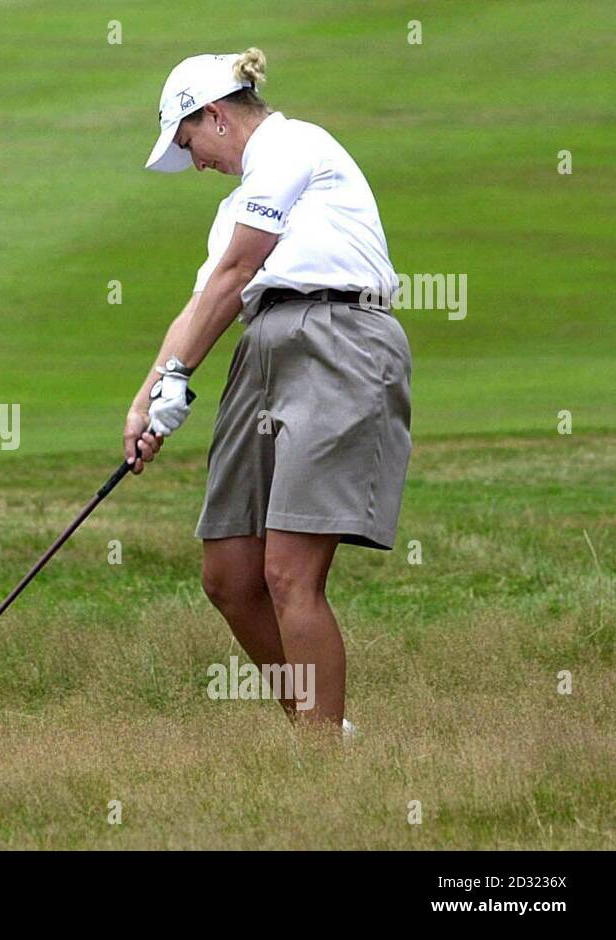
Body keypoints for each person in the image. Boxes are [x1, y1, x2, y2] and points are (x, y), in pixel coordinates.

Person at [124, 48, 412, 735]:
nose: (194, 162)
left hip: (339, 336)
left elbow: (237, 272)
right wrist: (144, 404)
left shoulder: (295, 146)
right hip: (264, 345)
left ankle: (321, 760)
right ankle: (322, 731)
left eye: (189, 142)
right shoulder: (233, 206)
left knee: (287, 572)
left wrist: (176, 379)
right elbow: (204, 304)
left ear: (216, 115)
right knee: (229, 574)